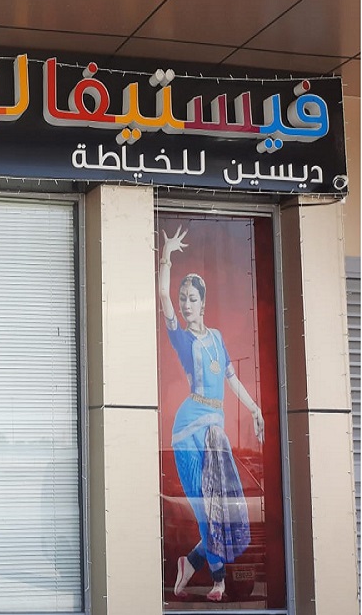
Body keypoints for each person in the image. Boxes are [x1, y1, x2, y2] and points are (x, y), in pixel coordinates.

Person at [158, 226, 265, 602]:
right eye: (182, 299)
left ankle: (189, 562)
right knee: (207, 510)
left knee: (223, 510)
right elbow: (163, 298)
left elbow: (232, 380)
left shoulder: (217, 338)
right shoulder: (182, 338)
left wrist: (255, 409)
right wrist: (166, 256)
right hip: (187, 432)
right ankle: (218, 580)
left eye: (192, 298)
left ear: (203, 303)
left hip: (215, 434)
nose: (185, 304)